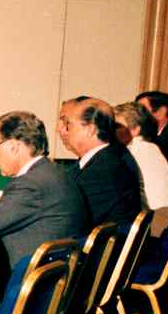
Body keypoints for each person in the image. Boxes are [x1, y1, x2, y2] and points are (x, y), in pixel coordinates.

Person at [0, 111, 89, 271]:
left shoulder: (32, 185)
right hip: (56, 269)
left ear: (14, 146)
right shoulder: (52, 171)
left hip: (27, 277)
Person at [57, 97, 141, 227]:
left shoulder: (103, 171)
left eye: (68, 124)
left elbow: (68, 219)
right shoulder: (103, 160)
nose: (61, 130)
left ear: (90, 129)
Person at [115, 100, 168, 227]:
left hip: (156, 221)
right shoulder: (149, 147)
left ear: (135, 130)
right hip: (166, 215)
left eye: (117, 126)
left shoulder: (137, 150)